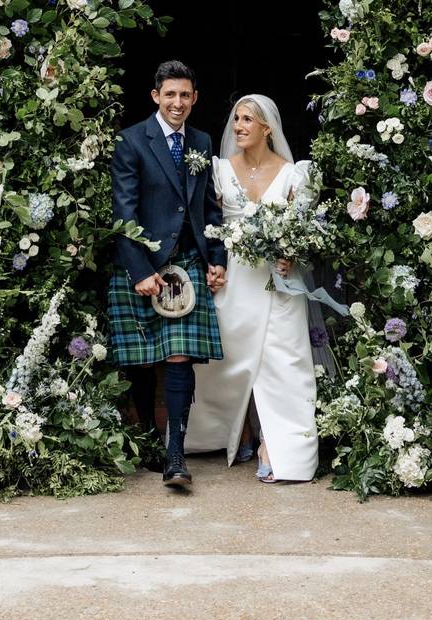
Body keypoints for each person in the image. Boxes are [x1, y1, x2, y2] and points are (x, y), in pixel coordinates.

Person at [185, 95, 319, 483]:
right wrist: (212, 264)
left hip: (277, 282)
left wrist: (292, 254)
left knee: (283, 361)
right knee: (228, 357)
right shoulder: (219, 170)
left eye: (248, 120)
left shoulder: (295, 174)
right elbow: (205, 222)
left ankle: (276, 446)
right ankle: (231, 430)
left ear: (267, 128)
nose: (239, 126)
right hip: (233, 278)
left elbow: (304, 231)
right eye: (236, 119)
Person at [107, 61, 227, 487]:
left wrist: (217, 258)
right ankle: (149, 440)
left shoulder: (201, 141)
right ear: (155, 95)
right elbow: (124, 210)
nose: (178, 102)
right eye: (170, 94)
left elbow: (208, 208)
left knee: (179, 355)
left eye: (186, 95)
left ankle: (176, 454)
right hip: (143, 263)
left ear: (195, 99)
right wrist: (139, 269)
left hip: (189, 264)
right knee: (142, 362)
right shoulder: (132, 141)